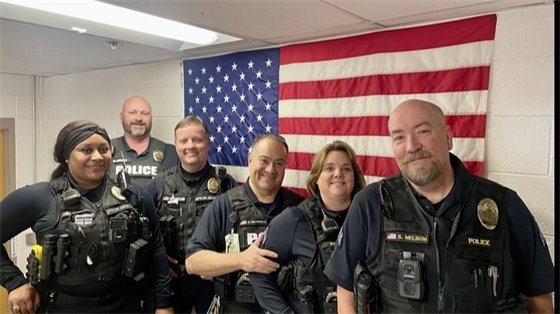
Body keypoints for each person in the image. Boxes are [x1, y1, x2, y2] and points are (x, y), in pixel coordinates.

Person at [324, 99, 554, 313]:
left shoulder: (504, 205)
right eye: (399, 137)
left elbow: (540, 296)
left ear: (448, 137)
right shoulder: (370, 204)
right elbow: (346, 290)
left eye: (423, 131)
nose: (412, 146)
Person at [0, 120, 174, 314]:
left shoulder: (134, 195)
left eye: (104, 149)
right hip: (60, 307)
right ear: (67, 156)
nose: (98, 156)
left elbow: (156, 247)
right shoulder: (40, 198)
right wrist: (15, 282)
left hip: (125, 305)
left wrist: (164, 304)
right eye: (86, 150)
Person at [185, 134, 305, 313]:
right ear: (250, 160)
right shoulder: (225, 204)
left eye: (279, 163)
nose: (271, 169)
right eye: (264, 160)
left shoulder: (298, 208)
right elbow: (193, 262)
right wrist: (241, 260)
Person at [250, 140, 366, 313]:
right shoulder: (294, 220)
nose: (338, 174)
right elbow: (259, 274)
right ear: (316, 178)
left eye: (346, 169)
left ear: (355, 177)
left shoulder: (368, 218)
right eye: (329, 168)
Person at [146, 116, 237, 313]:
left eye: (197, 139)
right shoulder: (160, 184)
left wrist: (221, 260)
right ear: (176, 144)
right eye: (183, 140)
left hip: (212, 280)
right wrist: (159, 263)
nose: (190, 146)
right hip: (172, 279)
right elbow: (146, 230)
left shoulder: (225, 183)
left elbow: (236, 232)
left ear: (208, 143)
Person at [111, 96, 178, 188]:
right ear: (121, 117)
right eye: (132, 112)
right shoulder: (105, 151)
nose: (138, 118)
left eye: (144, 113)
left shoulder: (170, 152)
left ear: (151, 118)